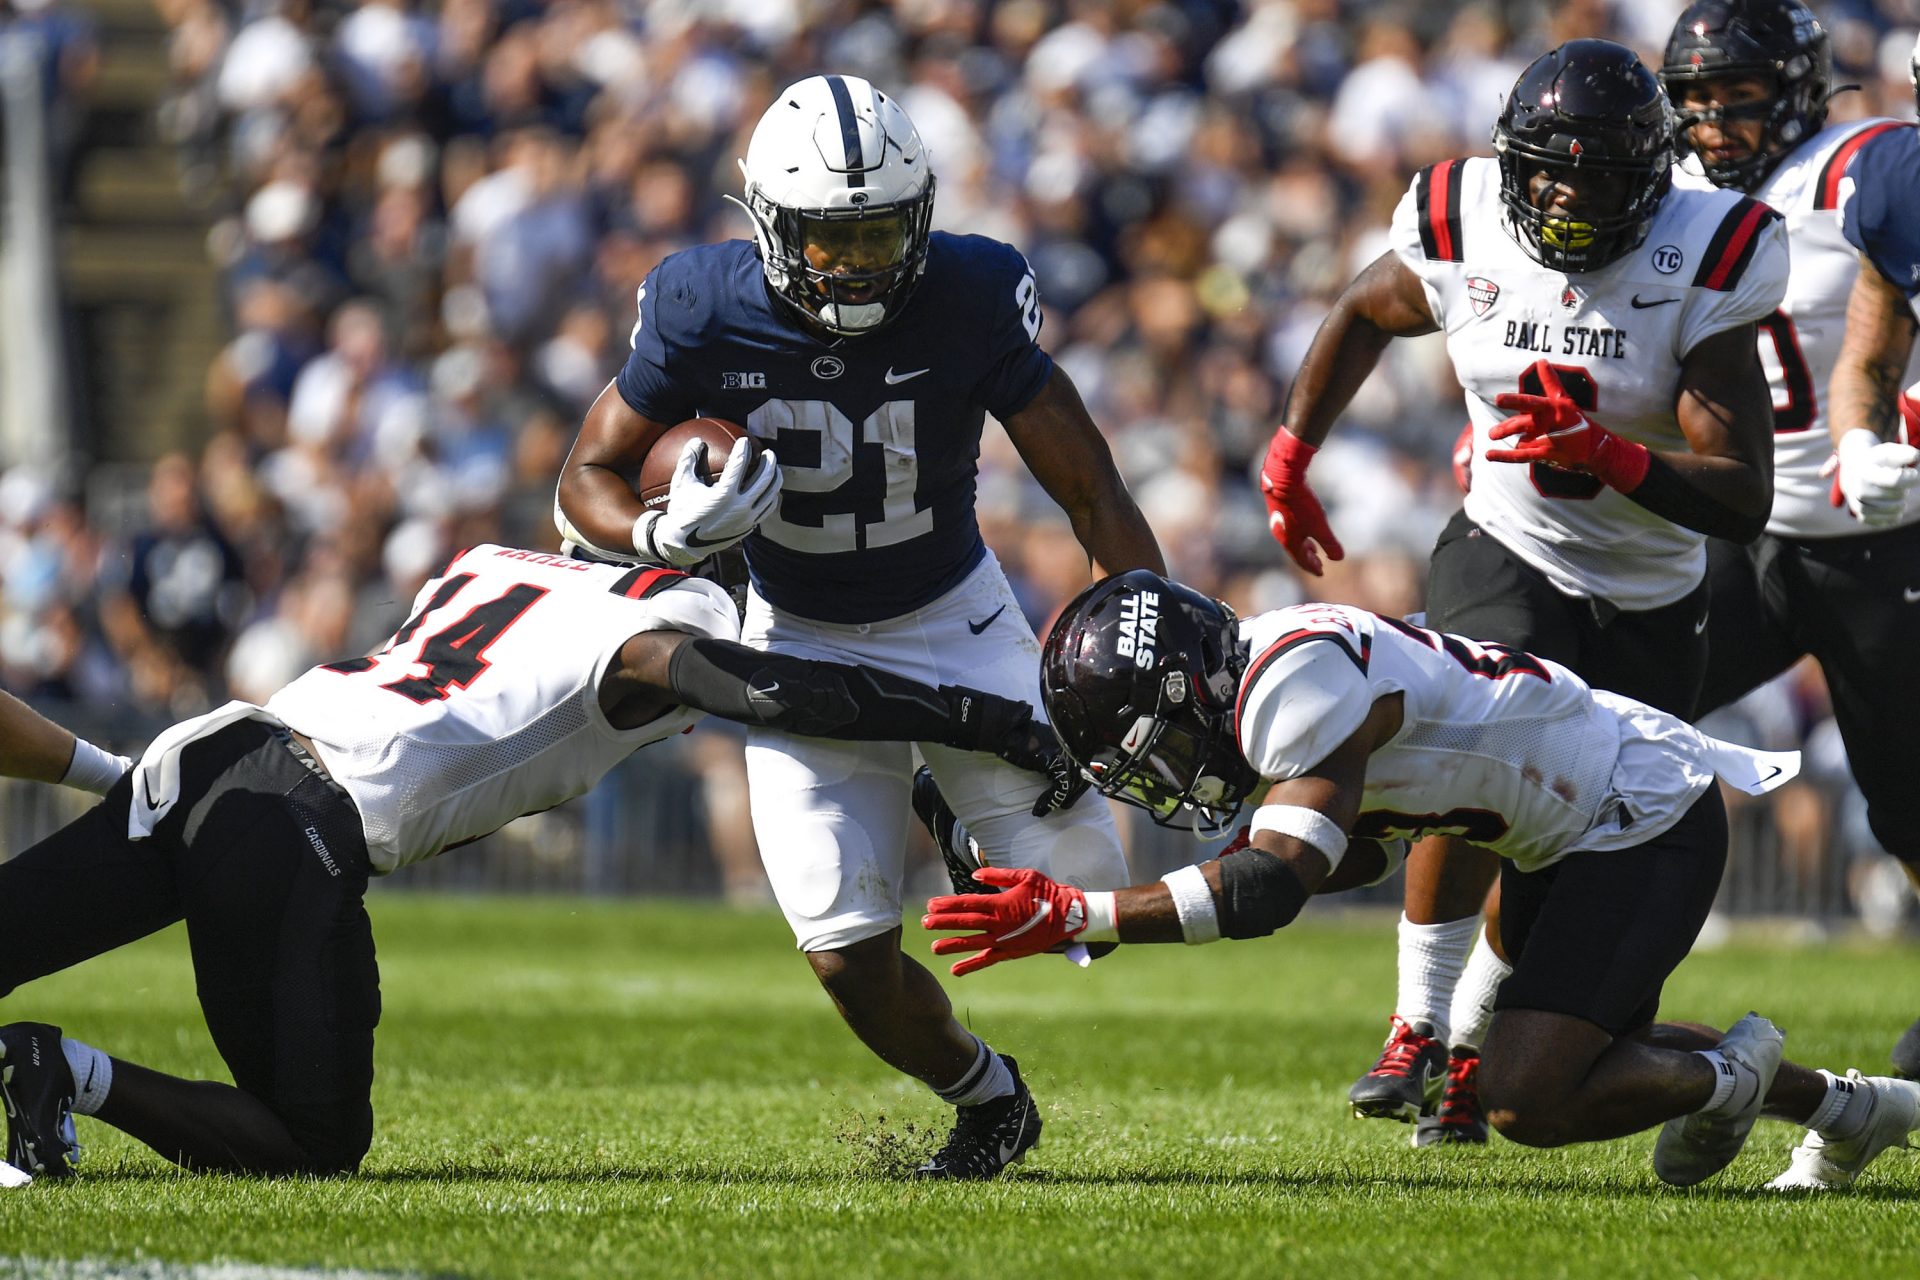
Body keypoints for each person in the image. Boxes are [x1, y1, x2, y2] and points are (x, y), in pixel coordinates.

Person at [0, 537, 1072, 1181]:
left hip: (211, 753)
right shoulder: (673, 619)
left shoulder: (495, 561)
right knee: (311, 1140)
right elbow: (775, 692)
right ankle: (64, 1071)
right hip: (295, 821)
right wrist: (976, 718)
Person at [553, 74, 1163, 1178]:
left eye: (882, 231)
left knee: (1084, 911)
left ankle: (962, 817)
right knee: (845, 957)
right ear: (772, 228)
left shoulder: (973, 288)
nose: (862, 262)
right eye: (832, 242)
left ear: (921, 211)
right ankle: (987, 1094)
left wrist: (1150, 613)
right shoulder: (700, 302)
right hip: (800, 635)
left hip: (957, 617)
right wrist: (660, 532)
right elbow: (583, 475)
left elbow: (1090, 486)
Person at [923, 570, 1920, 1191]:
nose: (1161, 780)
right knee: (1560, 1052)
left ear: (1190, 684)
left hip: (1637, 817)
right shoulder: (1261, 681)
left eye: (1153, 751)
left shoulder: (1291, 689)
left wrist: (1077, 913)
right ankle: (1850, 1109)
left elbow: (1271, 886)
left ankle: (1731, 1077)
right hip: (1558, 825)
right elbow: (1351, 852)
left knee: (1528, 1096)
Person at [1255, 40, 1785, 1144]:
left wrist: (1613, 453)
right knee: (1469, 745)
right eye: (1546, 168)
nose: (1563, 192)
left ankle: (1469, 1049)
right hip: (1509, 545)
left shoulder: (1710, 251)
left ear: (1647, 173)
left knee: (1562, 849)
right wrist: (1293, 448)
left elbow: (1741, 496)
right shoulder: (1461, 219)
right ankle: (1414, 1020)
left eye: (1592, 172)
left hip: (1648, 595)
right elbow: (1363, 307)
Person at [1716, 20, 1920, 1085]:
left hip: (1881, 544)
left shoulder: (1870, 165)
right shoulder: (1675, 199)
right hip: (1748, 529)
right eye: (1696, 98)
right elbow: (1861, 363)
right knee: (1599, 698)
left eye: (1736, 93)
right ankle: (1508, 1004)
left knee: (1908, 805)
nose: (1712, 120)